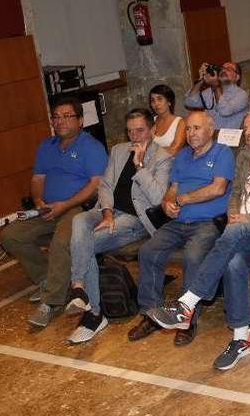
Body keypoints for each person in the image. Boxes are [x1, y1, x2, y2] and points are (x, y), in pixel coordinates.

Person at [146, 111, 250, 370]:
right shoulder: (245, 155)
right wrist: (234, 215)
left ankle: (187, 302)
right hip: (247, 233)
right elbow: (234, 192)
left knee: (233, 233)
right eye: (246, 128)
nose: (249, 131)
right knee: (234, 263)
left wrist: (248, 218)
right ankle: (241, 337)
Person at [127, 111, 234, 346]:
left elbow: (218, 188)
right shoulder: (183, 156)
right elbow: (173, 189)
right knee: (148, 251)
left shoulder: (222, 153)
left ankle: (187, 319)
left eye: (196, 128)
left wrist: (183, 199)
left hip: (208, 222)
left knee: (193, 256)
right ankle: (150, 314)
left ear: (210, 129)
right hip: (178, 222)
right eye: (188, 129)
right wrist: (167, 203)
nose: (191, 133)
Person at [65, 108, 172, 344]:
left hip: (137, 219)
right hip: (110, 211)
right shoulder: (118, 150)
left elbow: (157, 198)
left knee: (85, 243)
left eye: (140, 130)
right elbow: (105, 185)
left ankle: (93, 314)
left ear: (153, 129)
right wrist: (107, 213)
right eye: (130, 131)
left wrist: (140, 165)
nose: (134, 136)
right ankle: (79, 286)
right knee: (78, 220)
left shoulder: (163, 157)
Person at [1, 97, 108, 328]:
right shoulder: (46, 146)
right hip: (48, 208)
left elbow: (96, 185)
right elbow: (37, 179)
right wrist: (39, 201)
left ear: (80, 120)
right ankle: (47, 280)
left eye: (67, 116)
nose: (60, 121)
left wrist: (66, 204)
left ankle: (51, 302)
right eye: (56, 117)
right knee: (11, 235)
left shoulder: (92, 147)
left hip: (78, 209)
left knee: (61, 241)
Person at [186, 61, 250, 130]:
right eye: (222, 69)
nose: (224, 70)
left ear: (237, 77)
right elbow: (189, 102)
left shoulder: (242, 95)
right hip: (210, 135)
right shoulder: (209, 92)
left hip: (229, 136)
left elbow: (224, 111)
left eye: (229, 69)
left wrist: (216, 86)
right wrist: (200, 80)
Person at [149, 84, 187, 155]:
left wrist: (151, 148)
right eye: (152, 100)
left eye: (159, 99)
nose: (156, 104)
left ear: (169, 101)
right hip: (151, 161)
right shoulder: (150, 121)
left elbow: (174, 150)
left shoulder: (180, 122)